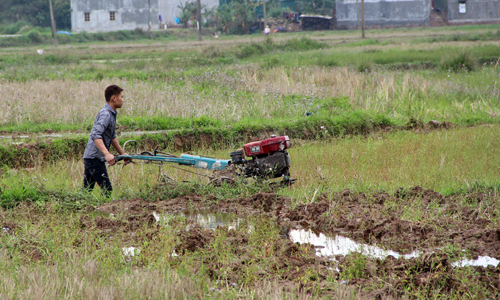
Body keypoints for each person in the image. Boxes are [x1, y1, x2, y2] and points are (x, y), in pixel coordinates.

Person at [83, 85, 128, 197]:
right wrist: (107, 154)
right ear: (114, 98)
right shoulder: (106, 114)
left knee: (86, 191)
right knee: (107, 190)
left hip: (91, 157)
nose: (123, 100)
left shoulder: (111, 113)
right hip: (94, 158)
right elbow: (95, 135)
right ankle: (104, 212)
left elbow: (112, 136)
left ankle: (80, 209)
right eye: (121, 97)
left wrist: (122, 154)